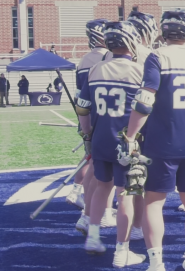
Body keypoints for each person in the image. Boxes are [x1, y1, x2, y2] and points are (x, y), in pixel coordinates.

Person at [124, 11, 185, 271]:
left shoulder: (158, 57)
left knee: (154, 202)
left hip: (161, 142)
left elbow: (145, 101)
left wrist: (131, 135)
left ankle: (156, 262)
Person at [77, 21, 146, 267]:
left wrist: (87, 135)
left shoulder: (96, 69)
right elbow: (148, 109)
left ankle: (94, 237)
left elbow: (82, 107)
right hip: (127, 142)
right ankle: (122, 250)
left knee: (101, 188)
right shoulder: (139, 71)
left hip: (100, 139)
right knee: (126, 194)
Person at [70, 19, 118, 232]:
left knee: (93, 164)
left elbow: (82, 95)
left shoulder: (85, 59)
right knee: (104, 172)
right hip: (105, 117)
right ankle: (98, 212)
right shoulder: (103, 59)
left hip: (89, 115)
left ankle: (81, 202)